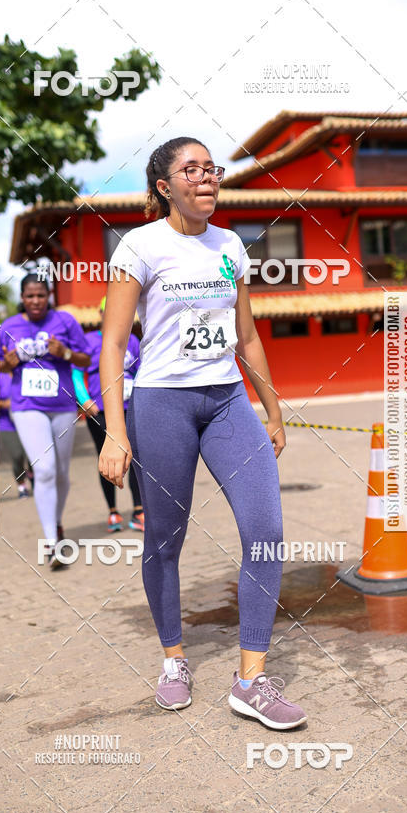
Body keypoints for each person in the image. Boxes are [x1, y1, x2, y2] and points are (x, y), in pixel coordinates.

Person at [97, 137, 307, 730]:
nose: (207, 179)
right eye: (192, 170)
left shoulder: (231, 245)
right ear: (165, 186)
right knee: (165, 537)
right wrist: (117, 432)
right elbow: (114, 343)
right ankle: (173, 659)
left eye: (212, 169)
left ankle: (251, 680)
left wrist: (273, 410)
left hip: (227, 403)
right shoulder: (139, 247)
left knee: (265, 528)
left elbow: (247, 336)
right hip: (161, 404)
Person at [0, 274, 90, 569]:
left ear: (49, 295)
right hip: (26, 406)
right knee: (45, 469)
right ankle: (51, 543)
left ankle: (56, 521)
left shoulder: (65, 321)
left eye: (40, 295)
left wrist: (63, 352)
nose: (35, 301)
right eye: (30, 296)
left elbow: (86, 359)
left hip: (62, 404)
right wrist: (6, 364)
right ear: (22, 298)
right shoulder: (9, 326)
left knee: (61, 473)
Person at [72, 296, 144, 532]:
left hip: (131, 407)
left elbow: (142, 371)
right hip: (100, 411)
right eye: (108, 311)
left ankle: (138, 511)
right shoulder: (90, 341)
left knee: (134, 459)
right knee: (106, 458)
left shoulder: (133, 340)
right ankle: (113, 511)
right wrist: (84, 400)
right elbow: (76, 372)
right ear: (102, 315)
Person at [0, 370, 33, 499]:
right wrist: (4, 404)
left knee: (32, 457)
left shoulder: (27, 372)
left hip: (30, 424)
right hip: (8, 426)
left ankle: (32, 475)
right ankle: (22, 486)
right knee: (17, 455)